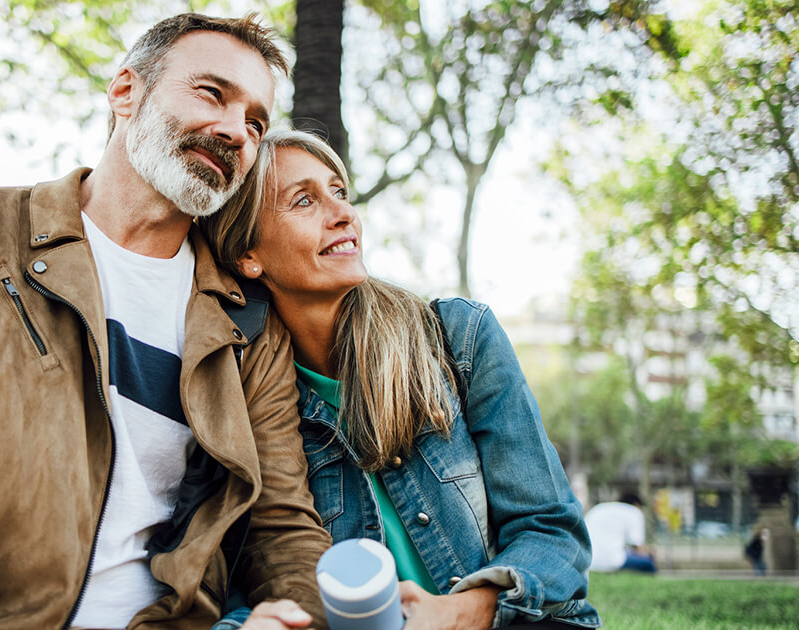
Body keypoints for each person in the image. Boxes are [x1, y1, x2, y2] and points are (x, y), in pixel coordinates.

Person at [0, 14, 332, 630]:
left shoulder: (247, 325)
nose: (235, 132)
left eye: (256, 123)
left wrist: (304, 613)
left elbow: (281, 527)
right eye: (211, 93)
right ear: (126, 92)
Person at [199, 129, 600, 629]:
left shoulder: (461, 339)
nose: (343, 213)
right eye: (304, 201)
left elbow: (553, 532)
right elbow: (264, 582)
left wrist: (459, 613)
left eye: (339, 191)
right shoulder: (252, 405)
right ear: (248, 256)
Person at [584, 493, 657, 573]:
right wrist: (650, 552)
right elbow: (638, 548)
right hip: (612, 561)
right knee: (648, 563)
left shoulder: (598, 508)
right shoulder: (634, 512)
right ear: (636, 505)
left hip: (587, 562)